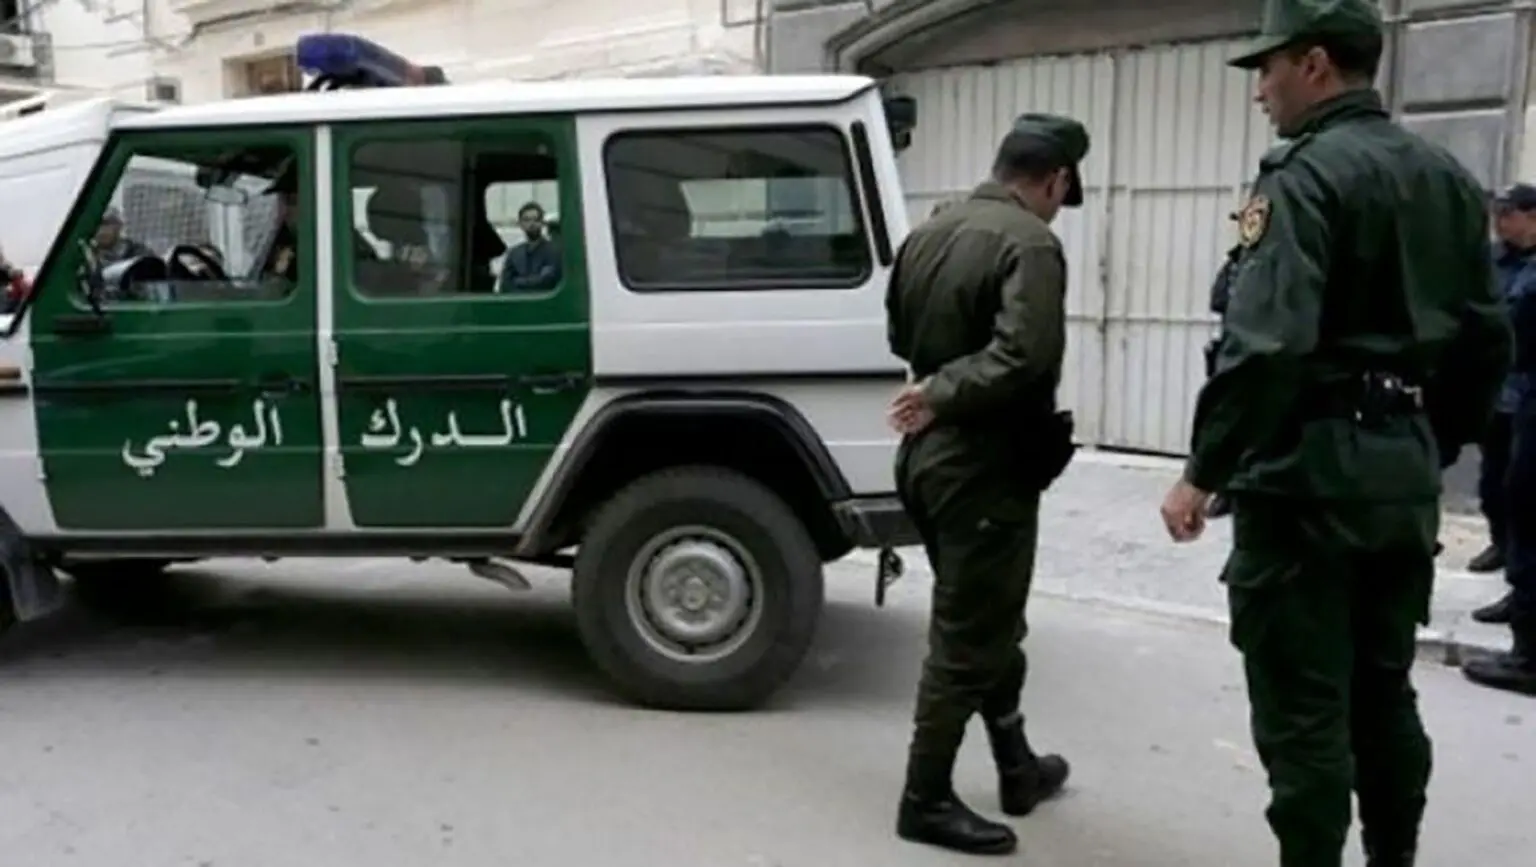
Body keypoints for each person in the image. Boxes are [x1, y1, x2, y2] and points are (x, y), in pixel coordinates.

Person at [1157, 2, 1511, 866]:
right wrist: (1430, 441)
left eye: (1267, 70)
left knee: (1305, 710)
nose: (1260, 94)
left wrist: (1203, 470)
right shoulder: (1449, 179)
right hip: (1397, 478)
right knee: (1383, 693)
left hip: (1305, 480)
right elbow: (1487, 337)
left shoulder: (1301, 176)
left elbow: (1267, 343)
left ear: (1314, 64)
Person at [883, 113, 1087, 856]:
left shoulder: (930, 231)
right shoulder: (1030, 242)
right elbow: (1026, 357)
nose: (1060, 206)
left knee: (989, 614)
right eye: (1064, 193)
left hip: (928, 459)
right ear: (1054, 179)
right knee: (969, 635)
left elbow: (899, 335)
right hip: (982, 464)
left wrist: (934, 385)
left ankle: (1015, 762)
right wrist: (946, 389)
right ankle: (924, 797)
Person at [1463, 193, 1536, 694]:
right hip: (1506, 398)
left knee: (1527, 509)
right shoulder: (1496, 261)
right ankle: (1519, 595)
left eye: (1507, 215)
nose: (1499, 224)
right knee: (1503, 493)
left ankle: (1529, 656)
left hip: (1527, 395)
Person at [497, 201, 561, 292]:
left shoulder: (554, 251)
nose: (531, 224)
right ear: (520, 224)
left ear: (542, 223)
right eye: (526, 220)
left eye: (536, 220)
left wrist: (518, 281)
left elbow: (546, 281)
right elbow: (505, 285)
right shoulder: (514, 253)